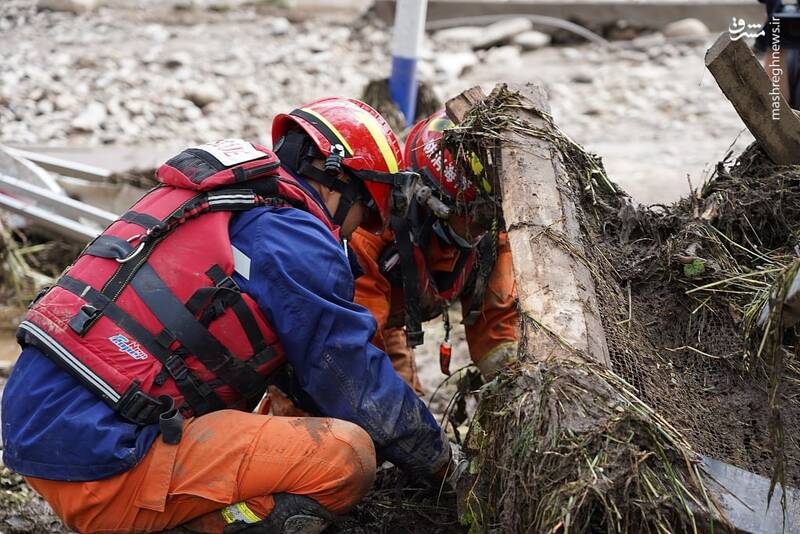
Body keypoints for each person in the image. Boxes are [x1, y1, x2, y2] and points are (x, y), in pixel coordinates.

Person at [1, 98, 455, 534]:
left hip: (43, 434)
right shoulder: (296, 240)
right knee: (345, 457)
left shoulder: (219, 203)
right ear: (338, 180)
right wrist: (442, 465)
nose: (355, 231)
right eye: (365, 211)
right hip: (104, 464)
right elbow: (351, 378)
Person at [350, 109, 518, 393]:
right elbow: (352, 349)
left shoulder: (491, 237)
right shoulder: (369, 234)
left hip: (389, 315)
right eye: (479, 216)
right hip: (357, 327)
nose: (486, 227)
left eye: (494, 215)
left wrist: (514, 383)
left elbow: (498, 329)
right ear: (435, 203)